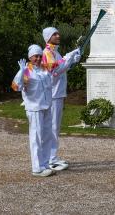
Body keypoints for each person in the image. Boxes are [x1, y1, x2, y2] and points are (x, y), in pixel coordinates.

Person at [41, 27, 81, 171]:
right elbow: (55, 71)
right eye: (54, 34)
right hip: (52, 94)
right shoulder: (47, 52)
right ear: (48, 37)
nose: (58, 36)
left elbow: (62, 68)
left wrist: (71, 61)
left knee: (55, 126)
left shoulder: (55, 52)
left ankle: (52, 156)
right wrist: (68, 58)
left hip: (57, 93)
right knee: (52, 127)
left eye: (58, 33)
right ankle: (50, 159)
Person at [12, 44, 55, 177]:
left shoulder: (44, 70)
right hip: (34, 108)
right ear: (30, 57)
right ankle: (37, 167)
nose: (38, 58)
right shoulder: (26, 71)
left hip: (46, 106)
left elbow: (58, 69)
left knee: (47, 135)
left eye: (40, 56)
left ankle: (45, 163)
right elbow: (16, 87)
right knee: (36, 137)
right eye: (35, 56)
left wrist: (71, 59)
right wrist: (21, 72)